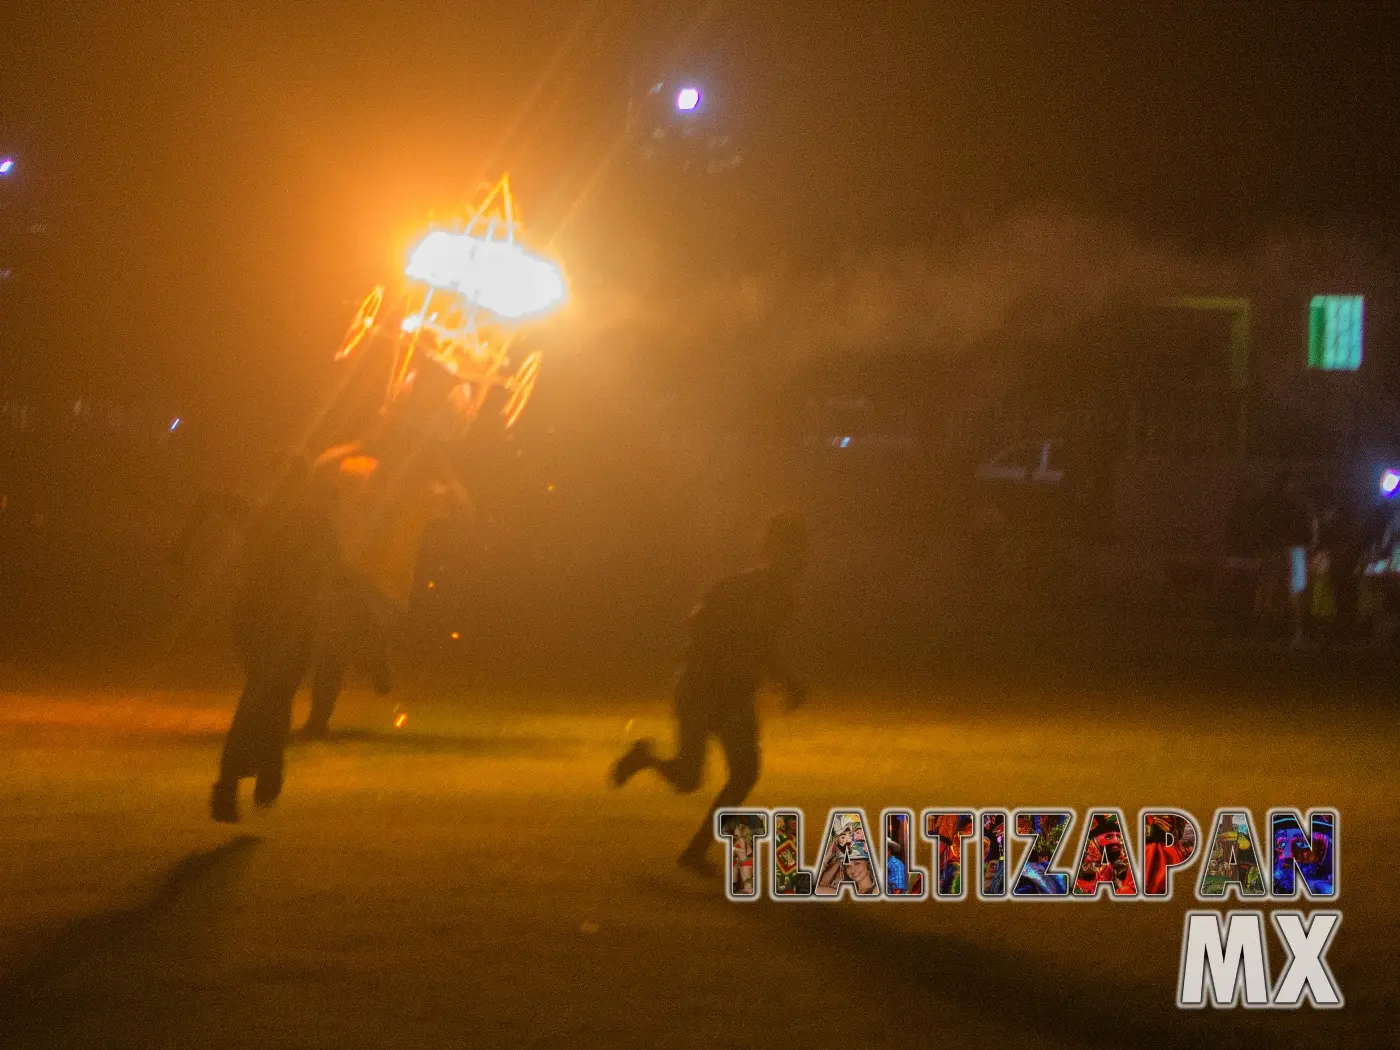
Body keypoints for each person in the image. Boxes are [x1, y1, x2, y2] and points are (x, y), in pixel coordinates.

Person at [610, 511, 809, 874]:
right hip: (703, 687)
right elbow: (701, 626)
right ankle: (645, 757)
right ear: (774, 550)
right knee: (689, 779)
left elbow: (763, 646)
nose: (798, 559)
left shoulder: (782, 598)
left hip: (734, 694)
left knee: (744, 773)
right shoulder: (741, 588)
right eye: (793, 549)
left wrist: (783, 678)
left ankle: (695, 851)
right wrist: (730, 655)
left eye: (800, 550)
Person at [211, 461, 339, 822]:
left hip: (256, 616)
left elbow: (215, 501)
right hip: (288, 619)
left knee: (267, 693)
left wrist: (184, 547)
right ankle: (248, 774)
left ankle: (258, 770)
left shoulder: (262, 514)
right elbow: (332, 565)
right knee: (269, 694)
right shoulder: (314, 521)